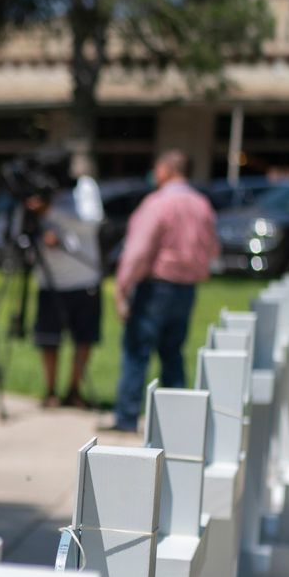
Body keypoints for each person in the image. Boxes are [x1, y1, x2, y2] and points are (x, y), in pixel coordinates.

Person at [104, 149, 219, 433]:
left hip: (155, 287)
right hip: (186, 289)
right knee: (173, 353)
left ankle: (126, 417)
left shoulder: (157, 204)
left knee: (136, 351)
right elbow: (213, 248)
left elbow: (138, 251)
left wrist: (122, 288)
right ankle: (176, 423)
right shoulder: (201, 204)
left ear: (166, 170)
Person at [28, 175, 105, 409]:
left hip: (84, 278)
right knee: (49, 340)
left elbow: (92, 221)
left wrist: (49, 211)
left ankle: (74, 390)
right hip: (49, 280)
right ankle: (50, 391)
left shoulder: (85, 187)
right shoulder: (34, 193)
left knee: (83, 339)